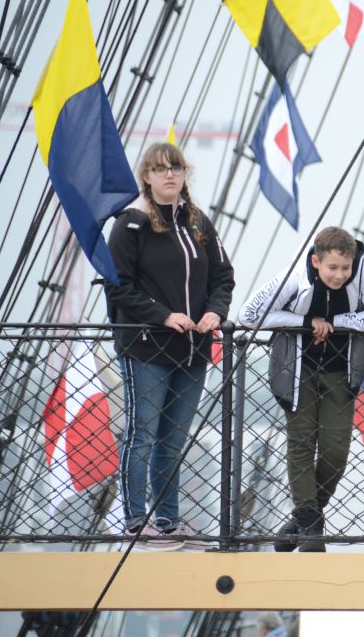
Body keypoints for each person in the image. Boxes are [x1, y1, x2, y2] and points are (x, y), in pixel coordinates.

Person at [106, 142, 235, 550]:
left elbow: (223, 276)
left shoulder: (198, 223)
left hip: (193, 349)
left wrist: (214, 311)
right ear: (147, 177)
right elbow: (117, 286)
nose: (169, 175)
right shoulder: (131, 224)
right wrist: (163, 315)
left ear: (184, 174)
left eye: (175, 168)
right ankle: (134, 521)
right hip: (147, 347)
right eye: (160, 169)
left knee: (174, 439)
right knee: (142, 434)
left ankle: (167, 521)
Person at [239, 227, 364, 552]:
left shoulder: (362, 271)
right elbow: (249, 315)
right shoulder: (297, 273)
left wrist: (337, 323)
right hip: (299, 369)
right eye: (332, 268)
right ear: (316, 261)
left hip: (341, 371)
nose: (340, 275)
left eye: (345, 268)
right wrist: (307, 323)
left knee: (336, 450)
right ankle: (311, 524)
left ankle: (304, 518)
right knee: (301, 441)